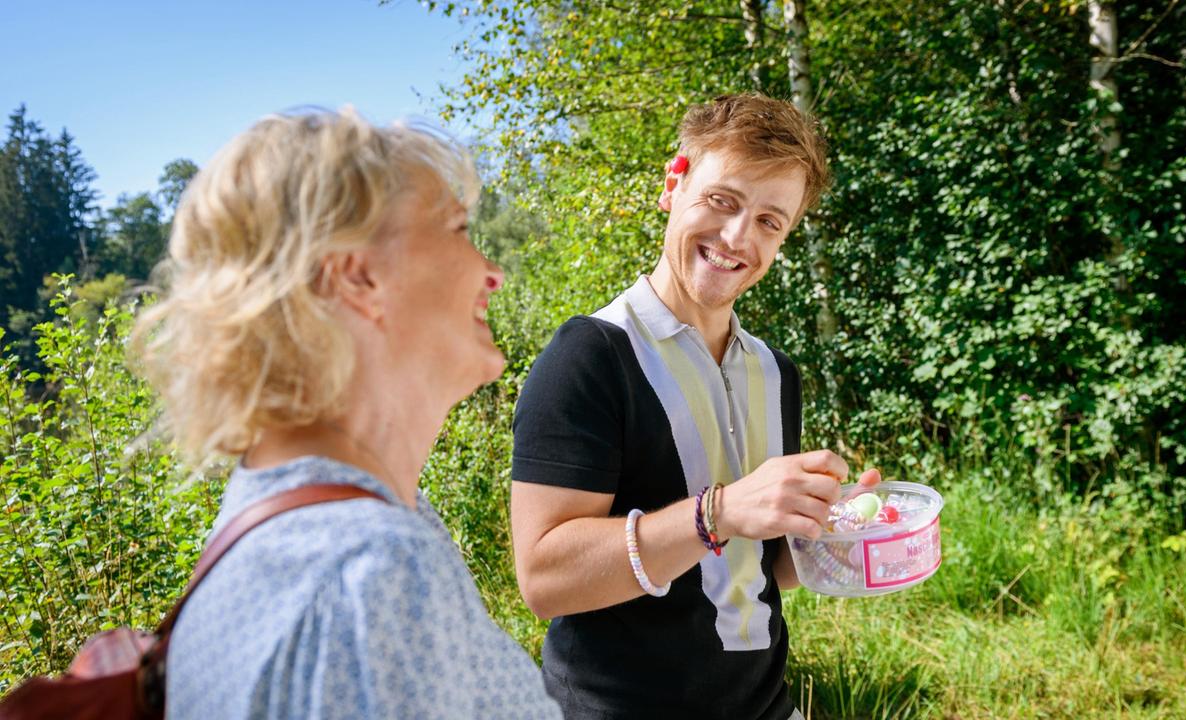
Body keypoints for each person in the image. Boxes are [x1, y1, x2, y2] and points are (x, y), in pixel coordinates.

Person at [133, 108, 563, 719]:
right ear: (357, 276)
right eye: (459, 229)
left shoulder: (303, 515)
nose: (491, 272)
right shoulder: (369, 571)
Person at [509, 93, 881, 719]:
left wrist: (835, 533)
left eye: (770, 221)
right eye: (722, 201)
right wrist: (721, 512)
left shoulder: (775, 371)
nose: (738, 237)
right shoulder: (590, 355)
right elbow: (544, 580)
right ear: (673, 185)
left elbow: (760, 568)